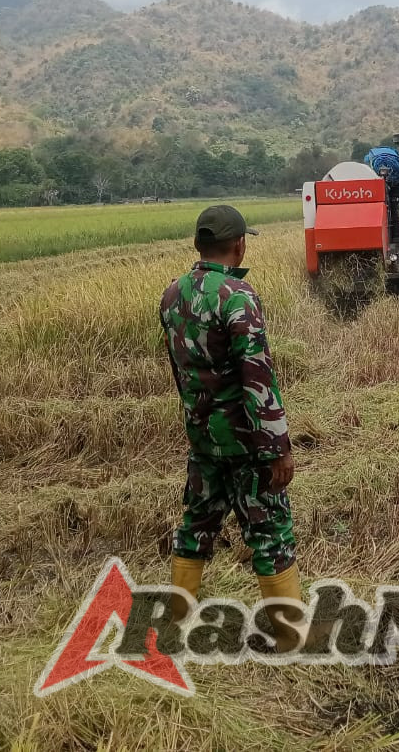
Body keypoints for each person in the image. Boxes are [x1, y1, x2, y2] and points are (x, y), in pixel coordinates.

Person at [159, 205, 304, 651]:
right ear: (239, 245)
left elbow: (179, 372)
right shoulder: (238, 296)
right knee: (270, 533)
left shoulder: (173, 294)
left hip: (203, 438)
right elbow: (257, 377)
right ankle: (291, 637)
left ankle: (175, 624)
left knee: (196, 527)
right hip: (246, 444)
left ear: (198, 244)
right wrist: (277, 447)